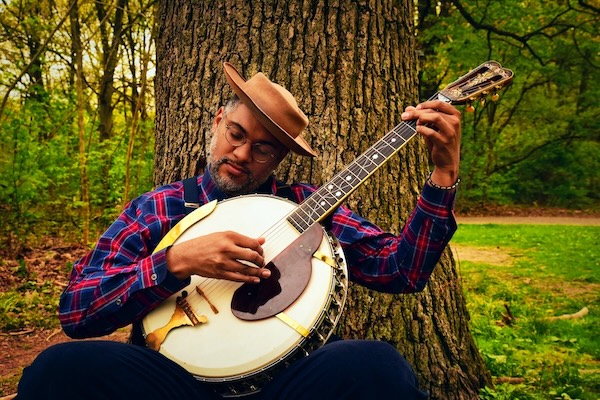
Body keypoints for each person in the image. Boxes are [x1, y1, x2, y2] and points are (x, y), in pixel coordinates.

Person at [16, 62, 461, 400]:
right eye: (235, 133)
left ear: (279, 160)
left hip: (282, 384)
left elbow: (401, 271)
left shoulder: (306, 207)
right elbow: (77, 311)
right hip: (171, 383)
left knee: (379, 367)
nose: (242, 153)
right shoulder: (159, 208)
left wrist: (443, 173)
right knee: (57, 368)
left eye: (263, 149)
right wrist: (175, 262)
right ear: (216, 123)